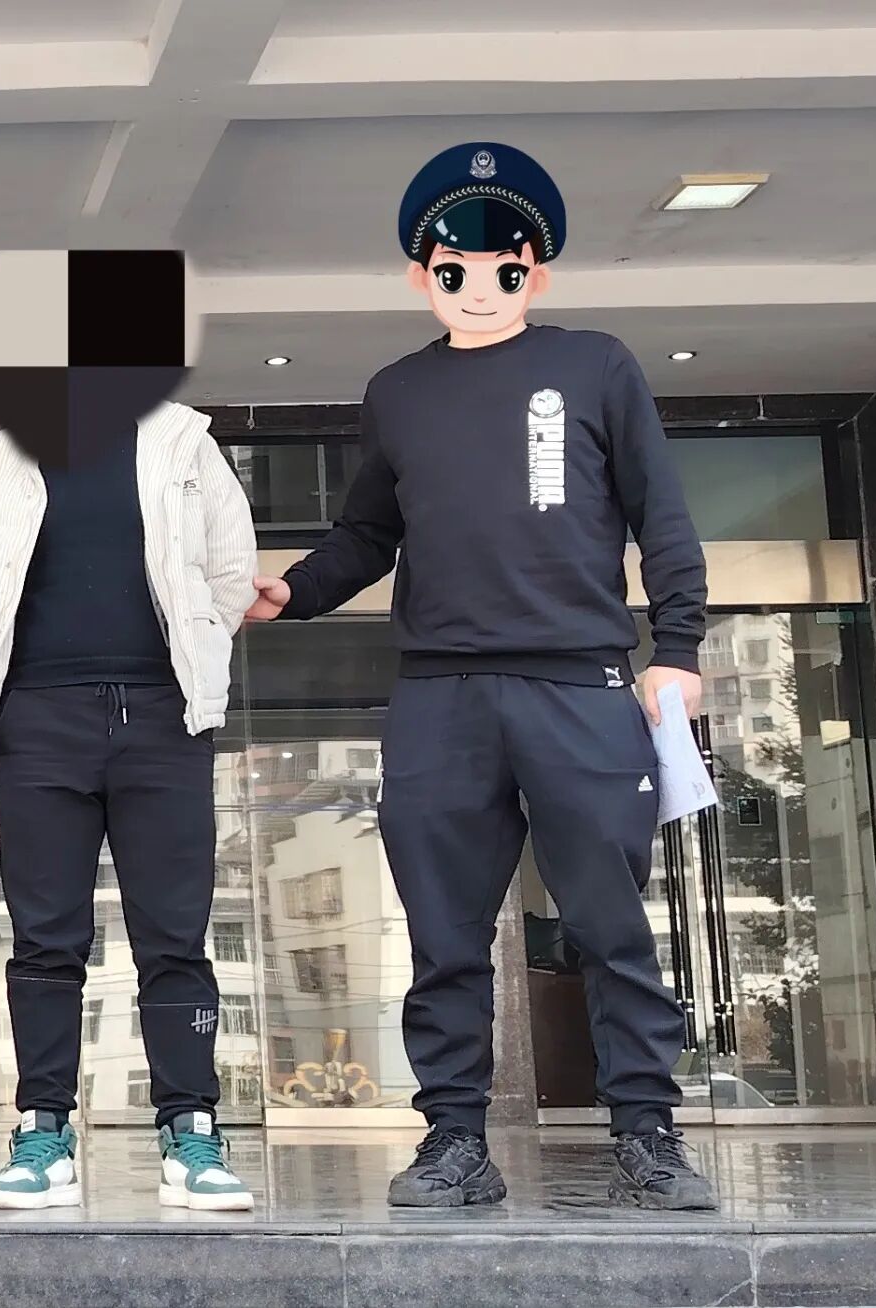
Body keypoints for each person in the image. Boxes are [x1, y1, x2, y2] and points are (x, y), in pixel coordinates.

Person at [249, 142, 716, 1211]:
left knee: (610, 924)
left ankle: (646, 1133)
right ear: (422, 276)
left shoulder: (595, 365)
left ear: (534, 273)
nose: (478, 287)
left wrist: (678, 648)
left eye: (504, 268)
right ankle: (454, 1140)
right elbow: (368, 533)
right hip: (440, 696)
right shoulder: (398, 391)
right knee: (443, 934)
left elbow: (662, 514)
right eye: (452, 270)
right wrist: (295, 592)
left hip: (579, 685)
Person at [0, 386, 257, 1211]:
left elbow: (230, 578)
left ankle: (190, 1130)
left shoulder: (187, 445)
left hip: (166, 715)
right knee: (45, 937)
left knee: (175, 935)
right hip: (38, 715)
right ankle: (43, 1133)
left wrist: (189, 658)